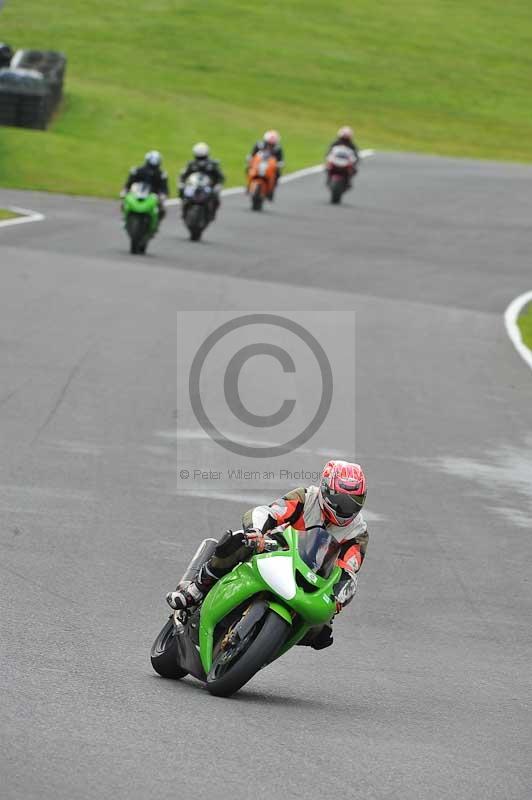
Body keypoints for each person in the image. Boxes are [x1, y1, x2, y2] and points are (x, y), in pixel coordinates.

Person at [167, 460, 368, 650]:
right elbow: (269, 512)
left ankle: (266, 643)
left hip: (314, 577)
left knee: (322, 633)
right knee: (239, 541)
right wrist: (256, 531)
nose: (347, 508)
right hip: (279, 550)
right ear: (326, 489)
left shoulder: (358, 532)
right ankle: (196, 589)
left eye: (355, 500)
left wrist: (338, 597)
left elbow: (348, 569)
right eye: (341, 500)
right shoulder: (306, 497)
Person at [178, 142, 225, 219]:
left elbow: (220, 176)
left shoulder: (212, 164)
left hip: (207, 187)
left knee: (215, 196)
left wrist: (218, 184)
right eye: (199, 157)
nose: (201, 160)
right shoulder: (191, 164)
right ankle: (184, 209)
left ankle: (212, 212)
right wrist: (181, 183)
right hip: (193, 186)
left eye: (202, 157)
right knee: (184, 193)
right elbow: (183, 174)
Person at [121, 150, 169, 221]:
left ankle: (156, 221)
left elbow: (164, 187)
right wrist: (125, 189)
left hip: (153, 195)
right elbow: (130, 181)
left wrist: (163, 195)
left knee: (161, 209)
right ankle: (126, 216)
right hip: (138, 192)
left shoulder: (161, 174)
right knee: (125, 202)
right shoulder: (138, 170)